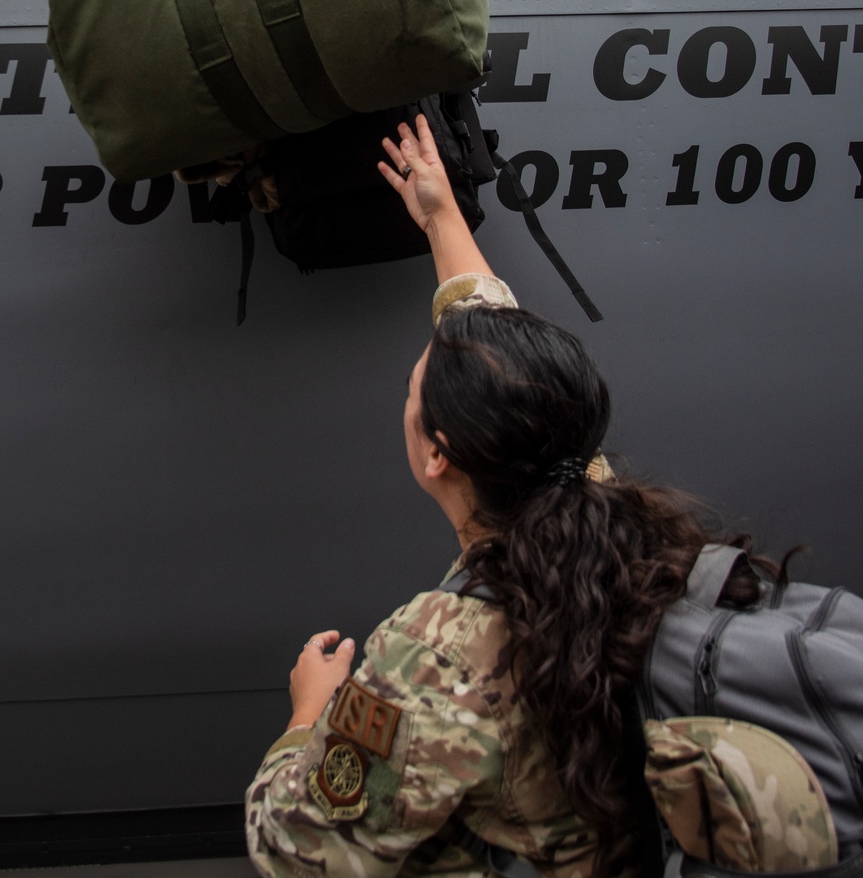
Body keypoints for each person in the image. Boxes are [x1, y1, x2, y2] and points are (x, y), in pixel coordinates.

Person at [243, 117, 828, 877]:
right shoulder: (625, 522)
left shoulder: (437, 657)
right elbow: (503, 354)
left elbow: (297, 850)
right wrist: (440, 215)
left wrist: (309, 713)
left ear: (435, 454)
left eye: (413, 389)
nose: (412, 388)